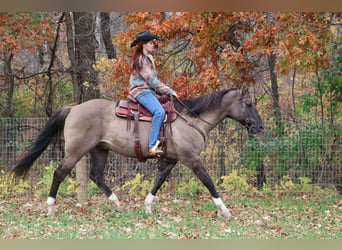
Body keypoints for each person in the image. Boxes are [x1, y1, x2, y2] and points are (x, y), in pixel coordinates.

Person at [129, 30, 178, 157]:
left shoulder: (147, 58)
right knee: (159, 112)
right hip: (141, 92)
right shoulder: (141, 60)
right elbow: (152, 81)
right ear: (143, 44)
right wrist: (169, 91)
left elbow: (153, 82)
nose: (153, 45)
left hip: (148, 91)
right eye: (151, 43)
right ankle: (152, 146)